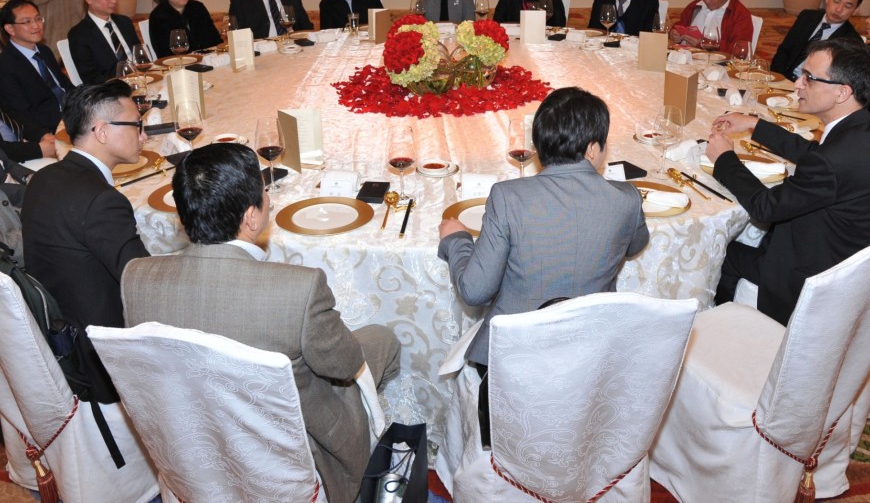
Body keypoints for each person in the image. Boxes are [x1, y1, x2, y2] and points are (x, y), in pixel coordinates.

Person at [121, 143, 400, 503]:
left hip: (193, 444)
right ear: (251, 217)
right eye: (265, 192)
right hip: (292, 455)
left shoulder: (136, 278)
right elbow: (345, 365)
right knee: (381, 339)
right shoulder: (298, 289)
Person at [438, 86, 649, 368]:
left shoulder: (507, 196)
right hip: (590, 357)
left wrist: (457, 240)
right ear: (591, 149)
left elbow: (475, 291)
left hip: (514, 361)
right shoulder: (627, 198)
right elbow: (635, 245)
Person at [707, 38, 870, 327]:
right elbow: (815, 155)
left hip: (803, 276)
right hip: (844, 257)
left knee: (717, 249)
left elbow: (765, 207)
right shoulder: (858, 127)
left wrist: (725, 159)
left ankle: (732, 330)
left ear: (842, 92)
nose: (797, 84)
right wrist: (755, 125)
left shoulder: (832, 161)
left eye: (809, 78)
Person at [21, 80, 150, 397]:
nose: (144, 136)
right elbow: (144, 283)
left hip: (61, 338)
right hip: (103, 359)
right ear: (102, 132)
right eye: (137, 125)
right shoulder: (101, 200)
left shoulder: (43, 178)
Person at [0, 0, 74, 133]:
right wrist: (43, 135)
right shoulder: (5, 66)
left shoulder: (44, 51)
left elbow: (64, 85)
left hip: (73, 113)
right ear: (10, 28)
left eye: (38, 19)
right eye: (27, 22)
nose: (36, 26)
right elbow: (20, 113)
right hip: (50, 126)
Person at [770, 0, 864, 80]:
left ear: (855, 10)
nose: (839, 9)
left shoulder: (852, 41)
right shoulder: (807, 16)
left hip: (813, 86)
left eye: (847, 6)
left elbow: (838, 79)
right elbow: (784, 50)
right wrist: (778, 78)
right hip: (785, 77)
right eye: (836, 1)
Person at [67, 0, 141, 84]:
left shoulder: (124, 22)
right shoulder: (80, 34)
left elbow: (139, 56)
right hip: (112, 88)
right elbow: (91, 79)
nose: (114, 1)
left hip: (140, 79)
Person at [669, 0, 753, 54]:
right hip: (685, 57)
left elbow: (740, 50)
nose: (706, 0)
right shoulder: (695, 6)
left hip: (716, 61)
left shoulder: (740, 15)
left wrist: (704, 44)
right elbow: (680, 25)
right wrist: (674, 34)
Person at [148, 0, 221, 57]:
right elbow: (165, 54)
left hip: (208, 59)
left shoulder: (198, 7)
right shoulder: (158, 16)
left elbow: (215, 40)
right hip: (179, 63)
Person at [0, 95, 58, 163]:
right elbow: (3, 151)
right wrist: (38, 149)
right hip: (8, 161)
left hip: (22, 147)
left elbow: (13, 116)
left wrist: (41, 135)